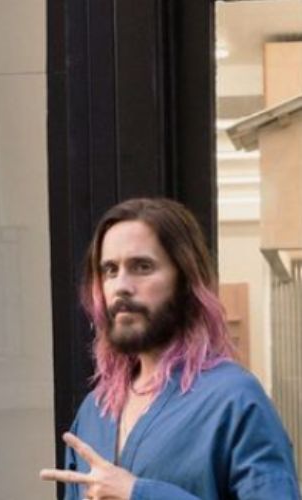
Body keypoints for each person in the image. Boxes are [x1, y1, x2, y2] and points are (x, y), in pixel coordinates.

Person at [40, 198, 300, 499]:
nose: (121, 286)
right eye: (110, 270)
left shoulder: (234, 399)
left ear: (185, 281)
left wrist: (138, 493)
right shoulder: (94, 413)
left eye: (142, 267)